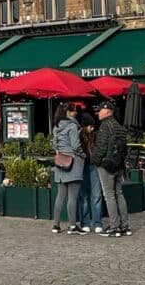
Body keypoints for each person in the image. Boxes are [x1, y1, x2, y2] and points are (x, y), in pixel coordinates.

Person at [90, 100, 130, 237]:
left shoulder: (105, 126)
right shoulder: (119, 126)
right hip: (118, 164)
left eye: (99, 111)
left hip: (106, 165)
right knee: (119, 193)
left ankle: (114, 226)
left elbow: (101, 147)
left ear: (107, 111)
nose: (97, 113)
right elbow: (125, 148)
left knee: (109, 195)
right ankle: (125, 225)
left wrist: (94, 160)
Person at [51, 103, 85, 235]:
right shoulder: (72, 126)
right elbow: (76, 146)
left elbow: (54, 144)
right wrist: (84, 155)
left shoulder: (56, 127)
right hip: (73, 163)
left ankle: (56, 225)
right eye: (74, 110)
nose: (76, 112)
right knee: (72, 197)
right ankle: (72, 226)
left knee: (60, 196)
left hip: (60, 163)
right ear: (69, 112)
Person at [78, 112, 103, 233]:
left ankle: (97, 222)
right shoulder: (78, 136)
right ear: (85, 126)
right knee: (84, 196)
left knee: (96, 195)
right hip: (82, 167)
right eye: (90, 126)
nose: (92, 128)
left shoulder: (95, 136)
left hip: (93, 166)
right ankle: (85, 222)